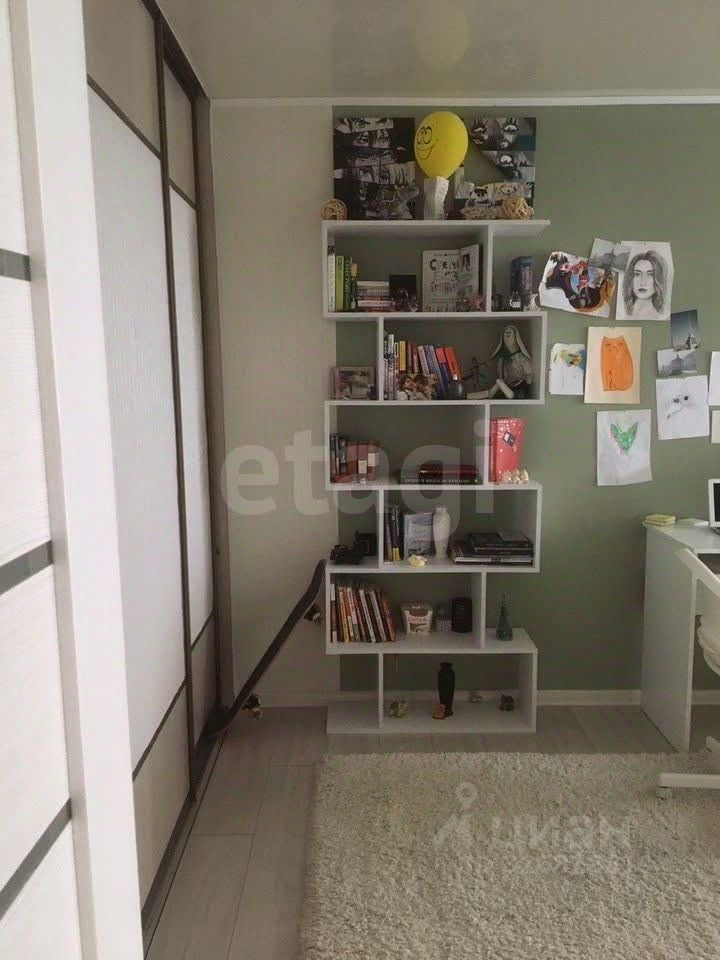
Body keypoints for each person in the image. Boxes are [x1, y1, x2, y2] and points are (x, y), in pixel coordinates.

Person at [622, 250, 666, 318]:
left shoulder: (663, 317)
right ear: (630, 278)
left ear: (658, 279)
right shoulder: (623, 315)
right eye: (637, 274)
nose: (643, 282)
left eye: (650, 274)